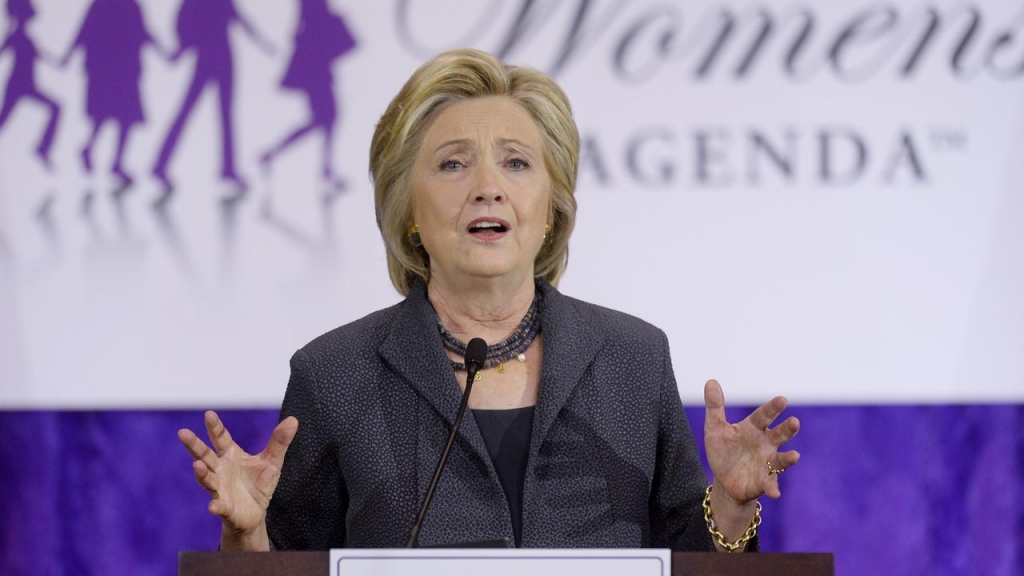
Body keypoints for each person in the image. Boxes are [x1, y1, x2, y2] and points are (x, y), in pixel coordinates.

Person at [178, 48, 801, 551]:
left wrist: (729, 501)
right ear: (409, 211)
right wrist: (246, 531)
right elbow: (285, 566)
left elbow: (687, 556)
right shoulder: (335, 374)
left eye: (516, 163)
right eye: (453, 165)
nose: (488, 188)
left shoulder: (632, 360)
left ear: (551, 210)